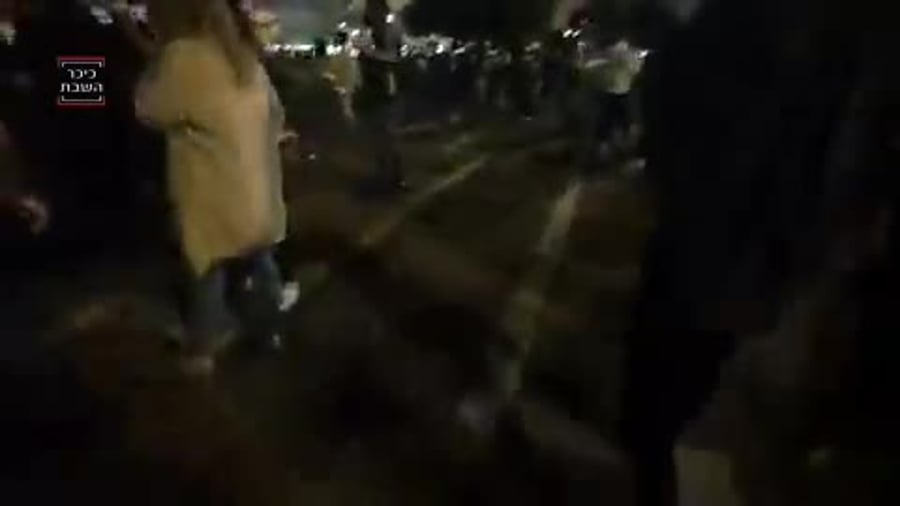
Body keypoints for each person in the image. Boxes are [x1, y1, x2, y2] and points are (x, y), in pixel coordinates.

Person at [617, 0, 879, 504]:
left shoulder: (718, 45)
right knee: (694, 390)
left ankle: (657, 467)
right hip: (752, 260)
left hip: (714, 251)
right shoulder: (819, 49)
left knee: (665, 397)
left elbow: (664, 133)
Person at [135, 0, 289, 376]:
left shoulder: (182, 57)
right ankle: (268, 332)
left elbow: (149, 109)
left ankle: (202, 349)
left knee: (206, 268)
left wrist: (152, 58)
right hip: (258, 187)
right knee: (260, 260)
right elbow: (275, 115)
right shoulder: (245, 56)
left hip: (211, 191)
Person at [355, 0, 409, 194]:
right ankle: (387, 176)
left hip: (385, 88)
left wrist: (372, 55)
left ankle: (394, 178)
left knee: (388, 136)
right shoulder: (368, 32)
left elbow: (395, 55)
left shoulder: (390, 28)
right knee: (380, 137)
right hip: (374, 90)